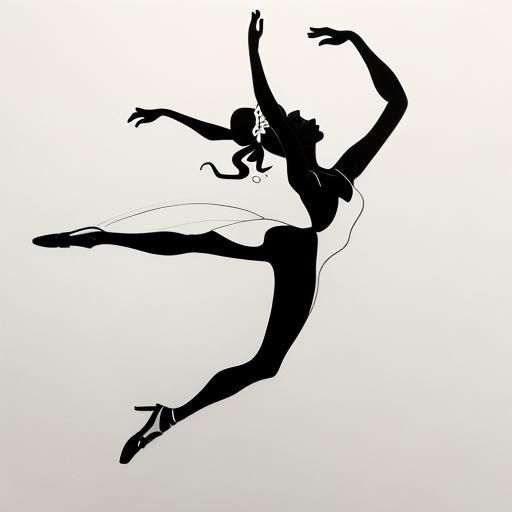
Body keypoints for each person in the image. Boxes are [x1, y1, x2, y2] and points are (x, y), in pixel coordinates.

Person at [32, 11, 407, 464]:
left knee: (266, 363)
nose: (305, 116)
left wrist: (356, 40)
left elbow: (397, 104)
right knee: (197, 240)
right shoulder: (304, 174)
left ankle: (168, 417)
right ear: (287, 136)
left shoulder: (342, 173)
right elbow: (270, 109)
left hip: (301, 256)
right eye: (297, 118)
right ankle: (99, 237)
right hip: (291, 242)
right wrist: (253, 50)